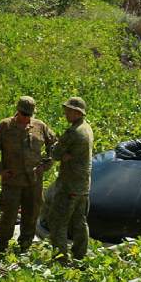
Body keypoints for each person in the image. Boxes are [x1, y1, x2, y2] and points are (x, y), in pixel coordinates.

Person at [0, 96, 57, 253]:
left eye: (29, 115)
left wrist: (46, 165)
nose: (26, 118)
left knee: (31, 216)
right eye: (23, 114)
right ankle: (0, 247)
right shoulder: (5, 126)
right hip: (12, 182)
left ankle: (24, 246)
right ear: (17, 111)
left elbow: (54, 145)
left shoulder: (40, 126)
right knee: (8, 216)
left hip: (33, 182)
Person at [49, 97, 94, 260]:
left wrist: (59, 150)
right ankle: (80, 255)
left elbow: (55, 154)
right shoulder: (87, 128)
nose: (65, 113)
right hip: (83, 186)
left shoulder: (73, 132)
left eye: (68, 111)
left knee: (58, 222)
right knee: (80, 222)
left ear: (76, 113)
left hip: (69, 185)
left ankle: (60, 259)